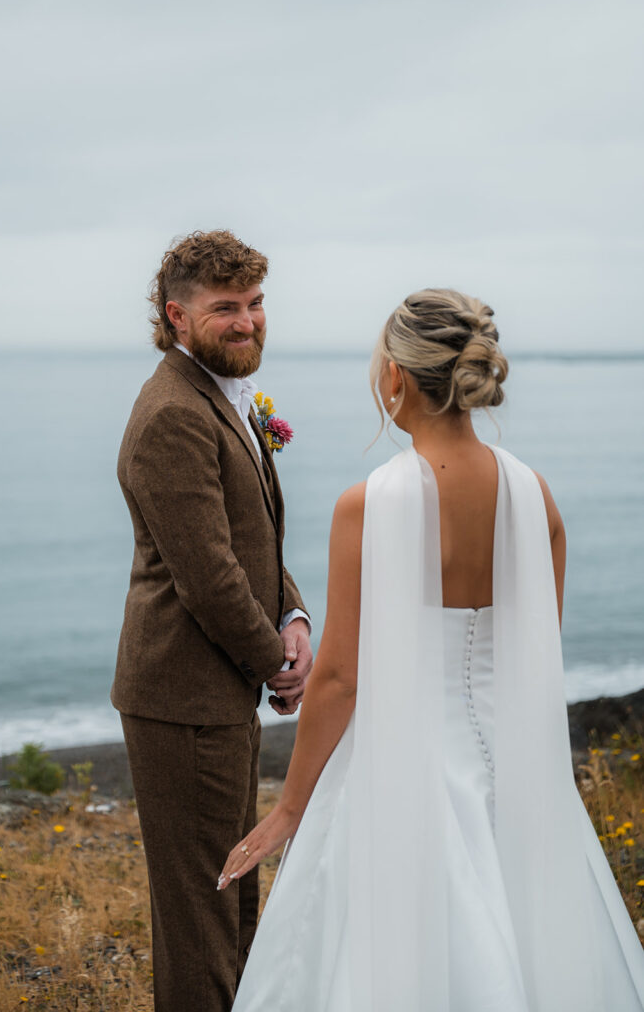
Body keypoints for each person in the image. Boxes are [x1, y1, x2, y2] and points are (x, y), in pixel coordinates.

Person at [220, 289, 644, 1011]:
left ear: (396, 378)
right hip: (516, 776)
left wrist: (290, 808)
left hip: (399, 769)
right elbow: (536, 653)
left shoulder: (372, 503)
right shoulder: (534, 494)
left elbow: (342, 680)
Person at [111, 230, 312, 1012]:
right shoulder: (171, 415)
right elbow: (206, 573)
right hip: (182, 700)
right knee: (203, 912)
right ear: (177, 316)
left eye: (256, 304)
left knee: (232, 895)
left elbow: (250, 536)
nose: (247, 321)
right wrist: (276, 661)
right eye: (225, 307)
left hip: (214, 696)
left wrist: (292, 615)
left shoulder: (222, 397)